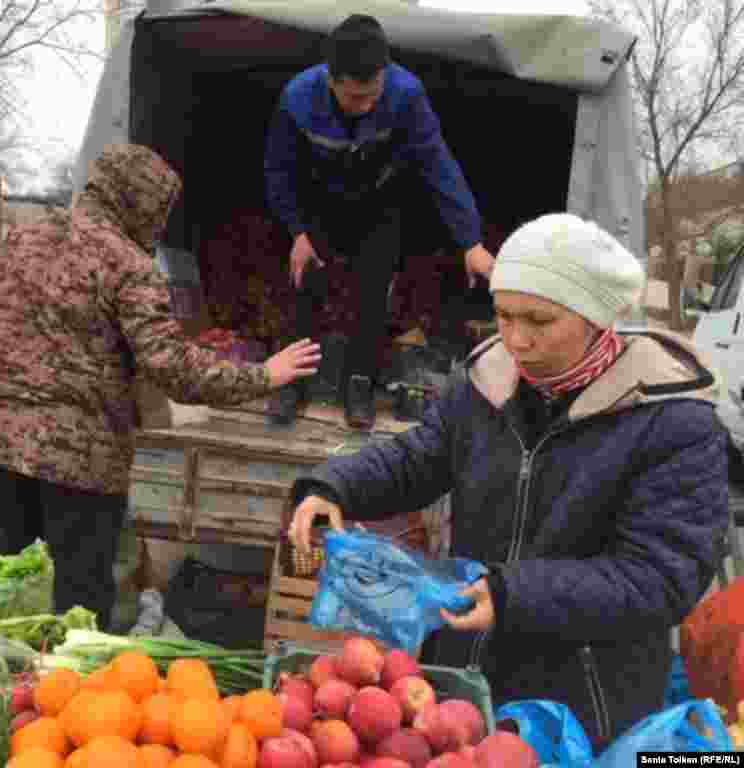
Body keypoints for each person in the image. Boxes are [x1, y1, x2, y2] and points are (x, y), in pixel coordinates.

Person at [287, 212, 728, 751]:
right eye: (503, 315)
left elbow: (660, 577)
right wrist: (333, 485)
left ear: (595, 318)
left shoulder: (673, 421)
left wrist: (514, 593)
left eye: (539, 321)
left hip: (582, 707)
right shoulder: (485, 383)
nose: (516, 339)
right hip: (462, 684)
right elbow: (419, 457)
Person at [0, 143, 321, 629]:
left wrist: (28, 369)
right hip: (80, 462)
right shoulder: (129, 264)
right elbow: (171, 367)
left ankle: (8, 695)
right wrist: (265, 375)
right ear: (142, 204)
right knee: (77, 613)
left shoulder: (23, 237)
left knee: (10, 596)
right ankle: (62, 698)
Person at [264, 14, 495, 429]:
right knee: (305, 287)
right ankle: (292, 386)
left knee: (372, 293)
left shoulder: (406, 94)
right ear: (330, 80)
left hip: (380, 204)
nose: (366, 105)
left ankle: (359, 387)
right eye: (354, 98)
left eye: (373, 94)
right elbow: (278, 169)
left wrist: (470, 241)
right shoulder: (298, 97)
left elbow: (438, 166)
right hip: (321, 202)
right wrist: (297, 230)